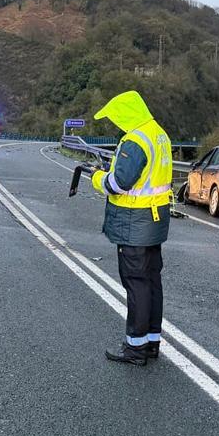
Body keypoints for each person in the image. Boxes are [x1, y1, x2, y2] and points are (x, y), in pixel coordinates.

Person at [90, 91, 173, 366]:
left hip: (133, 220)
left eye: (117, 118)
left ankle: (135, 348)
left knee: (135, 282)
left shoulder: (135, 140)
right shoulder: (158, 134)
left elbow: (119, 183)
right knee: (151, 281)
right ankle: (151, 342)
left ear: (126, 114)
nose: (116, 124)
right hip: (155, 220)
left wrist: (99, 178)